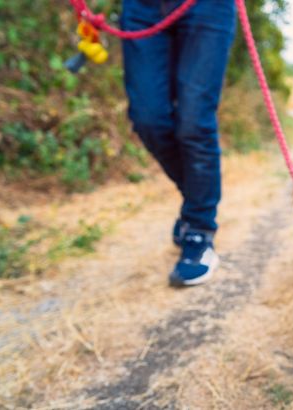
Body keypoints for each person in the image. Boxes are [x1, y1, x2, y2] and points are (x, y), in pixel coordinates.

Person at [121, 0, 236, 287]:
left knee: (195, 123)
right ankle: (199, 198)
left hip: (209, 7)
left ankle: (198, 229)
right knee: (148, 117)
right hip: (142, 7)